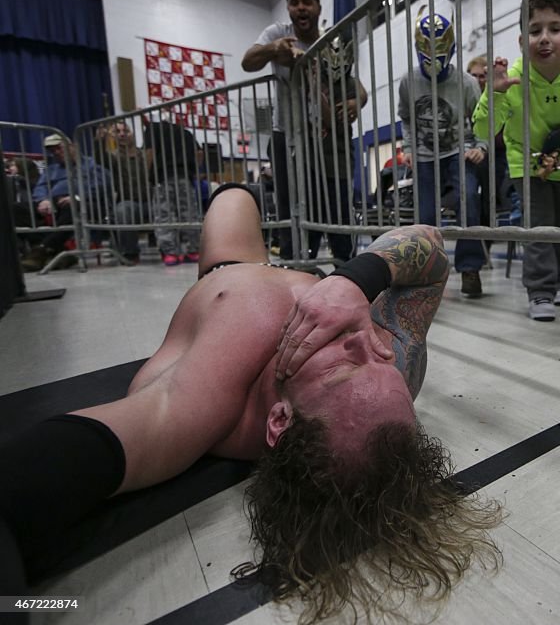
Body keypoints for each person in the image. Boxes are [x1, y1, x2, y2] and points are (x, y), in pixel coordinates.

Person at [0, 184, 501, 619]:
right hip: (315, 282)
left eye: (341, 367)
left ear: (280, 421)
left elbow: (74, 455)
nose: (365, 343)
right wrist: (355, 280)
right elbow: (430, 248)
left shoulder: (205, 404)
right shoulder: (390, 364)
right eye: (379, 362)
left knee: (235, 195)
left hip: (232, 267)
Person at [472, 0, 560, 321]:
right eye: (535, 30)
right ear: (522, 41)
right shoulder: (511, 79)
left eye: (555, 28)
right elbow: (481, 130)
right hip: (524, 164)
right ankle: (540, 291)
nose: (544, 38)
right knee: (537, 226)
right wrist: (495, 94)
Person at [242, 0, 367, 262]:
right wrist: (274, 50)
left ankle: (344, 265)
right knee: (292, 209)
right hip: (287, 134)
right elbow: (248, 61)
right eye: (294, 2)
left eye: (307, 3)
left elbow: (355, 84)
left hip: (323, 140)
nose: (300, 8)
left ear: (318, 9)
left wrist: (356, 100)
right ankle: (293, 266)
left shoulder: (330, 42)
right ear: (287, 8)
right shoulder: (278, 32)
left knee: (334, 205)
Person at [398, 11, 488, 298]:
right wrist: (409, 148)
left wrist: (481, 146)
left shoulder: (467, 83)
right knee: (424, 216)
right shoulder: (408, 82)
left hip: (458, 152)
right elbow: (407, 118)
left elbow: (482, 118)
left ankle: (470, 268)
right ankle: (426, 272)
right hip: (424, 155)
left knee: (469, 200)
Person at [21, 134, 110, 272]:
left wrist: (77, 197)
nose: (56, 152)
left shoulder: (91, 164)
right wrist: (43, 200)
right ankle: (59, 251)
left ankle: (42, 250)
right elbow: (40, 187)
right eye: (52, 150)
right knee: (17, 209)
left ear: (72, 146)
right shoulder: (51, 169)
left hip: (87, 203)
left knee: (71, 207)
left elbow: (102, 185)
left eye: (59, 148)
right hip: (53, 204)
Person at [143, 119, 202, 266]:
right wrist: (193, 169)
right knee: (189, 213)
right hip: (184, 176)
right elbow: (199, 153)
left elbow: (150, 153)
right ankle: (193, 250)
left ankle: (170, 253)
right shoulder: (185, 132)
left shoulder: (153, 129)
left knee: (165, 215)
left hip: (163, 177)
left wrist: (148, 174)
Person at [467, 54, 514, 231]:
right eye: (474, 75)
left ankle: (484, 238)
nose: (478, 80)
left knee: (489, 194)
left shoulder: (499, 96)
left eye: (482, 76)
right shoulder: (464, 96)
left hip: (495, 155)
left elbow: (503, 133)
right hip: (467, 153)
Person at [98, 121, 151, 265]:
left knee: (168, 205)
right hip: (130, 202)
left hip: (151, 201)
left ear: (132, 133)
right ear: (112, 137)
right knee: (122, 210)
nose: (122, 134)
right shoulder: (113, 157)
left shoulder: (145, 154)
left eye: (125, 131)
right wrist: (101, 141)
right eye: (117, 132)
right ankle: (130, 252)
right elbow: (100, 160)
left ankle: (174, 251)